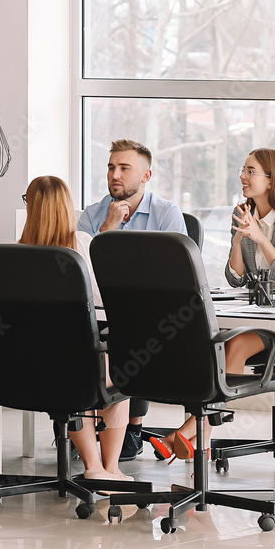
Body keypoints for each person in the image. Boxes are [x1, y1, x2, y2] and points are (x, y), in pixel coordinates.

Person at [153, 148, 275, 461]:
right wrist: (237, 240)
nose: (242, 176)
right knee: (208, 340)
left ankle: (190, 428)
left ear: (271, 180)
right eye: (243, 169)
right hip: (257, 314)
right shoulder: (244, 212)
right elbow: (236, 278)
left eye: (250, 171)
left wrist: (260, 239)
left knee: (236, 344)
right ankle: (199, 434)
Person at [77, 139, 187, 461]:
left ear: (146, 175)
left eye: (125, 168)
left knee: (131, 337)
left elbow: (178, 273)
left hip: (152, 314)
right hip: (100, 310)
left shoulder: (167, 215)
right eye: (111, 167)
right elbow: (82, 273)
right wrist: (108, 228)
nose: (115, 175)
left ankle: (131, 427)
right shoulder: (92, 215)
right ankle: (87, 425)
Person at [20, 175, 132, 482]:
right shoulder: (81, 245)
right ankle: (108, 469)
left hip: (25, 366)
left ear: (30, 207)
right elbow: (104, 303)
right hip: (79, 362)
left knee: (74, 379)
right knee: (117, 376)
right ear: (67, 208)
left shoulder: (12, 254)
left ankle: (94, 467)